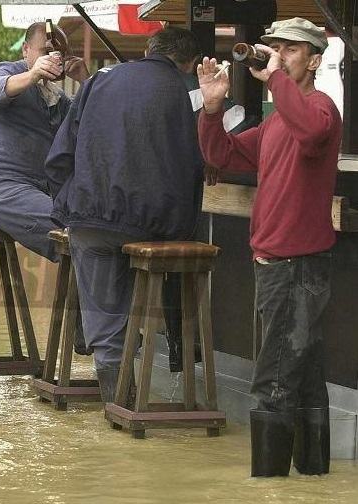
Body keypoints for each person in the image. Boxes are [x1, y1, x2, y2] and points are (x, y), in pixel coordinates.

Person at [197, 17, 342, 477]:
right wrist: (213, 109)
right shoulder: (279, 121)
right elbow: (221, 155)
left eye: (292, 50)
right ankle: (312, 479)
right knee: (304, 377)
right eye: (276, 47)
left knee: (273, 378)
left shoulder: (320, 110)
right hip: (279, 262)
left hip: (296, 265)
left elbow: (313, 132)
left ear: (315, 60)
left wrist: (276, 77)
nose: (279, 55)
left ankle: (268, 487)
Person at [45, 27, 205, 402]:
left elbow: (59, 157)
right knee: (145, 286)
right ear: (190, 63)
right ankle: (157, 370)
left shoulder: (99, 81)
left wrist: (71, 202)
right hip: (151, 226)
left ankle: (117, 405)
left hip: (90, 220)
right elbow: (190, 168)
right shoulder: (179, 93)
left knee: (104, 311)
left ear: (148, 49)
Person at [0, 21, 90, 354]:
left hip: (32, 190)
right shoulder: (7, 72)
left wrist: (87, 81)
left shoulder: (58, 98)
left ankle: (89, 333)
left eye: (58, 54)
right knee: (74, 234)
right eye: (45, 51)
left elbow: (88, 125)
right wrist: (33, 73)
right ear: (26, 51)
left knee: (90, 231)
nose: (52, 59)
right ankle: (91, 333)